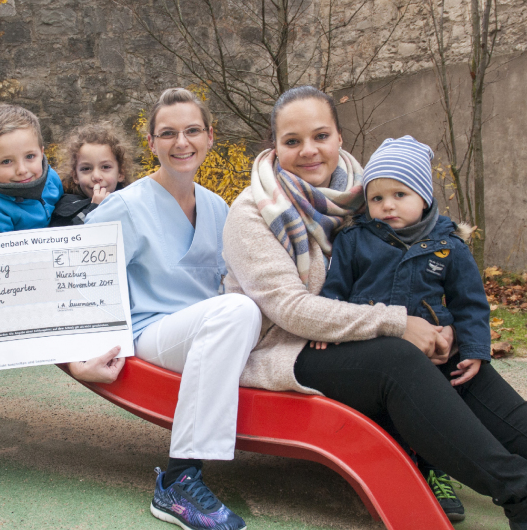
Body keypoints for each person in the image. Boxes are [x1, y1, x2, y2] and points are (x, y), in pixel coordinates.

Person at [221, 85, 527, 530]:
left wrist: (444, 327)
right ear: (275, 147)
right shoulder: (251, 212)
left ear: (340, 138)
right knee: (396, 358)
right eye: (292, 141)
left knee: (456, 357)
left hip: (356, 335)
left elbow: (421, 269)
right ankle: (516, 489)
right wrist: (400, 323)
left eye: (320, 135)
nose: (309, 150)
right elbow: (291, 309)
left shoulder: (370, 193)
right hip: (289, 349)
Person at [85, 88, 261, 530]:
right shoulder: (124, 206)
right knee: (238, 311)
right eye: (168, 133)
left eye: (191, 131)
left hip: (208, 333)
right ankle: (181, 477)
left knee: (243, 309)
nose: (181, 143)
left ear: (209, 136)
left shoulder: (220, 208)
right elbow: (78, 280)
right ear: (151, 143)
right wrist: (80, 355)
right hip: (151, 336)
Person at [314, 134, 490, 520]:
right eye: (377, 198)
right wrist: (327, 330)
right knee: (385, 411)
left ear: (424, 198)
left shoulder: (449, 247)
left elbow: (470, 303)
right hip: (372, 345)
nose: (387, 206)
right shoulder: (356, 240)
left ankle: (433, 468)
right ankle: (393, 464)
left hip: (430, 350)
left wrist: (474, 348)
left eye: (400, 195)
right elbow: (335, 290)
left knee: (432, 410)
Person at [0, 103, 63, 235]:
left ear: (41, 153)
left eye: (30, 156)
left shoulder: (51, 178)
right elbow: (2, 254)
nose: (22, 170)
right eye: (6, 161)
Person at [49, 122, 135, 227]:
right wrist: (96, 208)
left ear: (120, 173)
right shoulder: (65, 207)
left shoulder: (132, 204)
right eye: (86, 169)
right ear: (75, 176)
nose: (96, 177)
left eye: (105, 167)